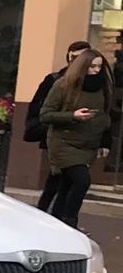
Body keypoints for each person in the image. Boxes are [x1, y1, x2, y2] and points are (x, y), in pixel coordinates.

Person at [40, 46, 118, 229]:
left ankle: (58, 223)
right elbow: (45, 115)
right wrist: (72, 116)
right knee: (82, 180)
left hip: (88, 144)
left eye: (99, 66)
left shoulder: (104, 87)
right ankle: (70, 221)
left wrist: (105, 142)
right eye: (92, 66)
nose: (96, 70)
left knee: (66, 186)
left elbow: (105, 116)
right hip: (64, 143)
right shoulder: (63, 85)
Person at [28, 39, 90, 212]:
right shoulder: (56, 80)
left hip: (78, 138)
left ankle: (53, 216)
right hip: (55, 136)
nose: (77, 62)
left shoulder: (91, 82)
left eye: (82, 58)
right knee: (59, 179)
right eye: (74, 58)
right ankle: (48, 214)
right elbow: (40, 110)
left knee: (63, 181)